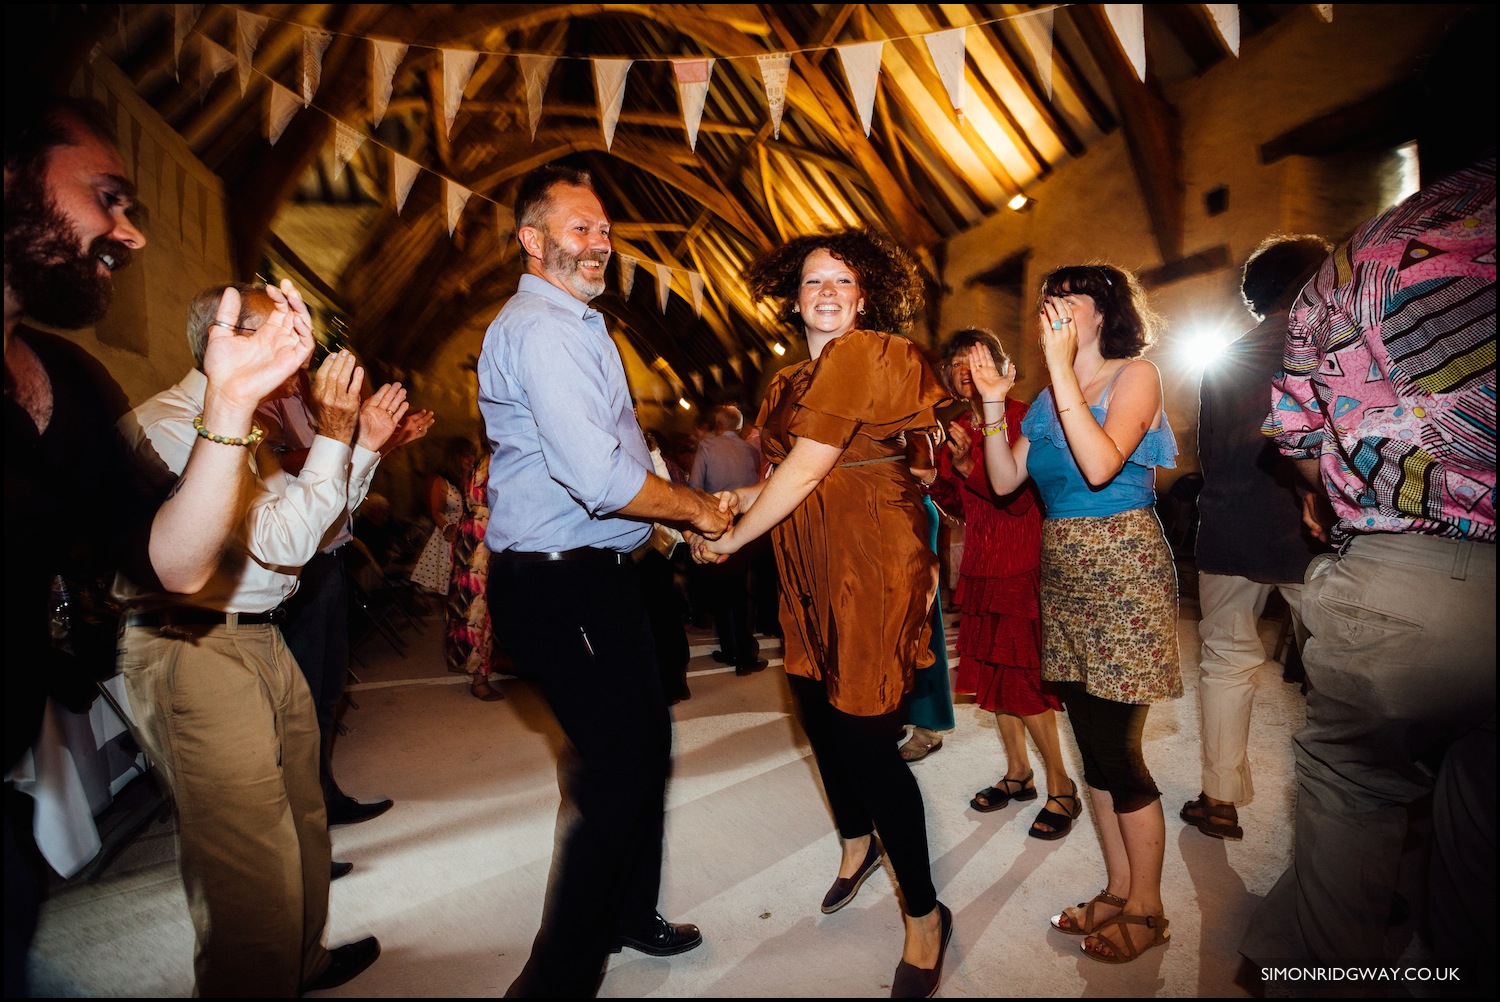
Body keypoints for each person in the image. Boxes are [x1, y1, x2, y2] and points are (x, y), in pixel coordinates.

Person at [4, 94, 315, 999]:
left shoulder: (66, 380)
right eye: (108, 196)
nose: (129, 233)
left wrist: (229, 406)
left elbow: (171, 561)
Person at [476, 163, 730, 997]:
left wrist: (663, 529)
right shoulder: (545, 330)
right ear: (532, 238)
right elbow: (602, 479)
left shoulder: (578, 325)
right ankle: (556, 979)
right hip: (562, 581)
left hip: (603, 569)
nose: (598, 244)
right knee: (619, 769)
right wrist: (692, 510)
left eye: (605, 232)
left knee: (642, 745)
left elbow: (619, 464)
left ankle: (628, 912)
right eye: (579, 229)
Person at [1241, 153, 1494, 978]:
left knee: (1352, 783)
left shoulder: (1355, 262)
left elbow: (1302, 440)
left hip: (1410, 568)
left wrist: (1336, 508)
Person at [114, 284, 403, 997]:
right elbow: (275, 542)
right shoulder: (171, 425)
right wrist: (338, 437)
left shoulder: (252, 428)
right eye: (282, 339)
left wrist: (358, 445)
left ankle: (301, 963)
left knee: (301, 823)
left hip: (260, 636)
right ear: (224, 336)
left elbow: (315, 530)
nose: (298, 364)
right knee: (247, 865)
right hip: (194, 648)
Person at [694, 228, 953, 998]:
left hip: (873, 560)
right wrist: (725, 504)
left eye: (843, 280)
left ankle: (926, 916)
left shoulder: (876, 354)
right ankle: (854, 841)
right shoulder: (784, 383)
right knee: (813, 708)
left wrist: (735, 535)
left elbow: (811, 468)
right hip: (806, 561)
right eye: (813, 282)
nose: (829, 292)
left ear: (865, 294)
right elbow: (783, 474)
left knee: (867, 735)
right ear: (793, 297)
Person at [968, 263, 1181, 964]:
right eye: (1047, 300)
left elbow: (1098, 465)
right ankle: (1118, 889)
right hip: (1063, 566)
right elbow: (1003, 481)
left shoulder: (1135, 376)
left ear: (1103, 313)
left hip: (1123, 562)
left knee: (1119, 746)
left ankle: (1149, 908)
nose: (1052, 310)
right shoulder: (1042, 398)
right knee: (1091, 741)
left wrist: (1060, 374)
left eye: (1070, 299)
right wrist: (997, 404)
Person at [1184, 234, 1331, 841]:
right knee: (1332, 677)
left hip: (1231, 522)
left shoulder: (1226, 356)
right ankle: (1338, 826)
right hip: (1309, 526)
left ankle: (1219, 798)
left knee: (1224, 662)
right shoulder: (1328, 342)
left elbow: (1208, 449)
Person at [259, 367, 433, 833]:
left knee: (328, 689)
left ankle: (322, 797)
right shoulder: (267, 403)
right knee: (300, 695)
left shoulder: (311, 404)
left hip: (329, 556)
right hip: (298, 563)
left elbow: (344, 475)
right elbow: (283, 463)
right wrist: (338, 436)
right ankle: (298, 821)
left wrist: (385, 440)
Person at [931, 328, 1079, 839]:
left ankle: (1063, 786)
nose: (965, 371)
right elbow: (959, 507)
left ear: (1002, 364)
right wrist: (937, 476)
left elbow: (1018, 497)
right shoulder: (953, 425)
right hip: (980, 563)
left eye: (976, 359)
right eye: (955, 363)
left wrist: (971, 463)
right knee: (994, 677)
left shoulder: (1025, 417)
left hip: (1020, 558)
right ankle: (1019, 774)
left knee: (1024, 681)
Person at [688, 404, 765, 674]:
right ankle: (746, 654)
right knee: (744, 591)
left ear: (718, 425)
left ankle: (731, 651)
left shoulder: (707, 448)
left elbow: (695, 487)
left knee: (721, 591)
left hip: (717, 521)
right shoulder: (750, 449)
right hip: (748, 522)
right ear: (739, 426)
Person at [448, 447, 507, 700]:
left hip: (476, 532)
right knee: (477, 609)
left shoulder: (487, 456)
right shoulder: (491, 458)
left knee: (483, 606)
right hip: (481, 537)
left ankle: (488, 665)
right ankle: (479, 678)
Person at [410, 435, 471, 597]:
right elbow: (436, 511)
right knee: (448, 587)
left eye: (472, 455)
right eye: (466, 455)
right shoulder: (441, 481)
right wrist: (446, 527)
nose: (471, 459)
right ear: (455, 457)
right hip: (448, 538)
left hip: (468, 537)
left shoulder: (473, 481)